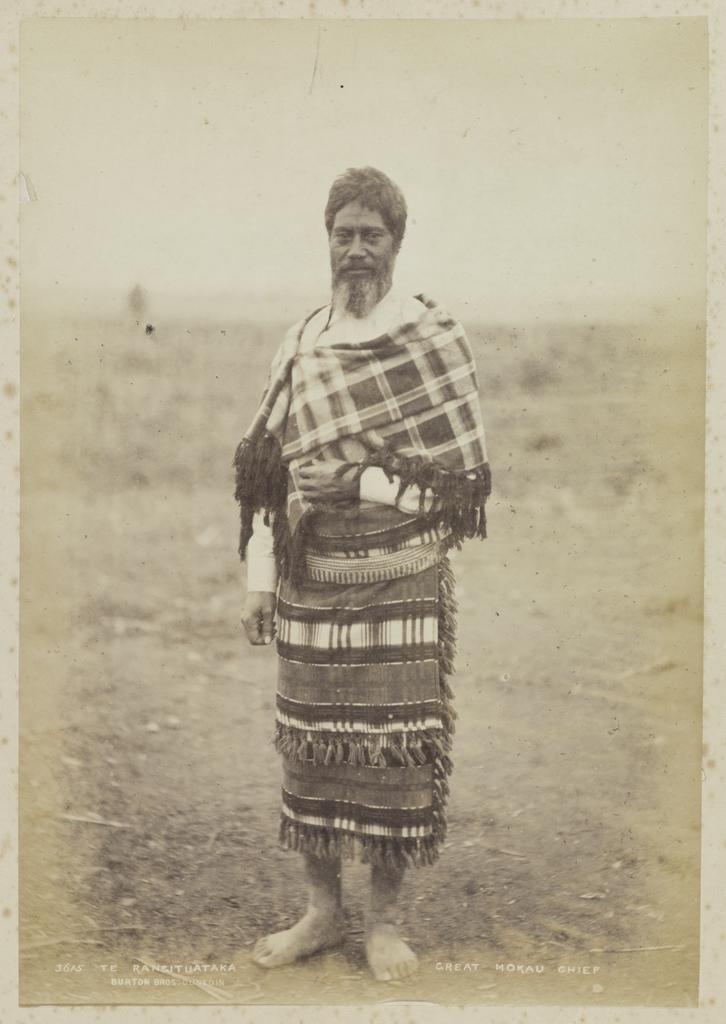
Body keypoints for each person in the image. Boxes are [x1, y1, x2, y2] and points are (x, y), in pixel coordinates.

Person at [234, 167, 491, 982]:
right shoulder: (303, 342)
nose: (354, 249)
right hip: (311, 574)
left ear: (396, 243)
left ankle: (383, 921)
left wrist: (361, 484)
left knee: (394, 752)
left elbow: (457, 486)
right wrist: (259, 578)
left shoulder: (430, 338)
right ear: (328, 240)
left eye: (370, 234)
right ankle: (321, 910)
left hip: (400, 570)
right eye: (342, 233)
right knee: (308, 748)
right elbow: (268, 477)